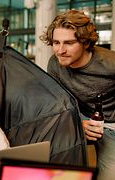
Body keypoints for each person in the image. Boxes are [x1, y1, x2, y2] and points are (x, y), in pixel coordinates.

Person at [40, 10, 115, 179]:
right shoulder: (54, 64)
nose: (60, 50)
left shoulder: (111, 63)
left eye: (69, 43)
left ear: (85, 42)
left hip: (112, 125)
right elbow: (58, 103)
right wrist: (78, 123)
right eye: (56, 42)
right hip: (80, 120)